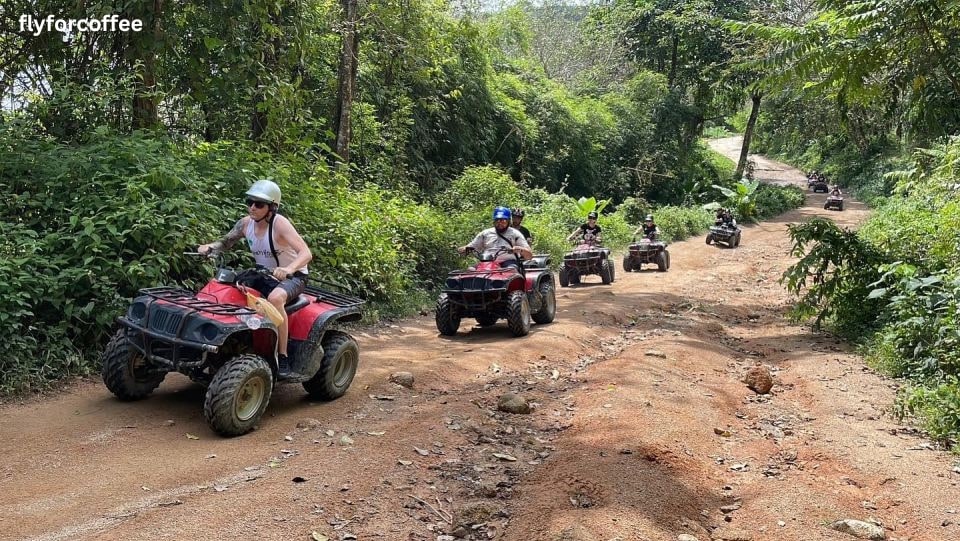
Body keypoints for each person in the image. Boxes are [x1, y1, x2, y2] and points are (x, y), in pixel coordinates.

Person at [198, 179, 313, 374]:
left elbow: (306, 253)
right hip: (263, 274)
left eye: (259, 204)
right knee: (225, 284)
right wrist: (210, 247)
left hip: (293, 278)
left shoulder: (280, 224)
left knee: (275, 299)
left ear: (272, 207)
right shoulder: (245, 224)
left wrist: (289, 269)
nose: (252, 207)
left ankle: (282, 355)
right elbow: (226, 242)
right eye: (249, 202)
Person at [458, 206, 532, 268]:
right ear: (494, 221)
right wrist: (464, 249)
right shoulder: (485, 233)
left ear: (508, 221)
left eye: (503, 221)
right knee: (471, 270)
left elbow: (529, 255)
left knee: (510, 270)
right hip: (487, 262)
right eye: (497, 221)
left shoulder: (516, 233)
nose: (500, 223)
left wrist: (520, 249)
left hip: (508, 262)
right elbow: (472, 246)